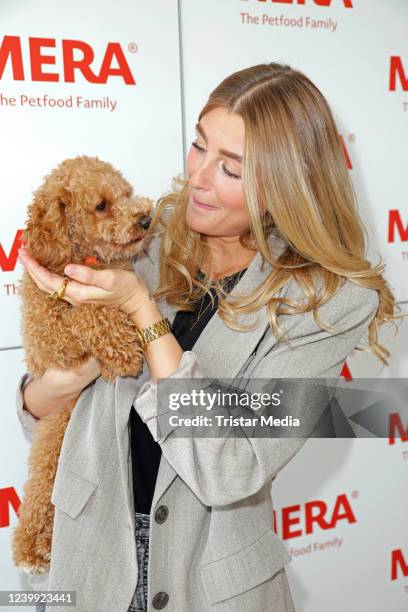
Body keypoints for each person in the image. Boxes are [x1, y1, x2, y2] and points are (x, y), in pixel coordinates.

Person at [16, 63, 398, 612]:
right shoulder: (142, 235)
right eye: (199, 146)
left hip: (211, 581)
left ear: (286, 185)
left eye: (231, 170)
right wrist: (74, 368)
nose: (197, 177)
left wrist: (139, 310)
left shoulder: (331, 303)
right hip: (93, 559)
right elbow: (36, 404)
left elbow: (230, 466)